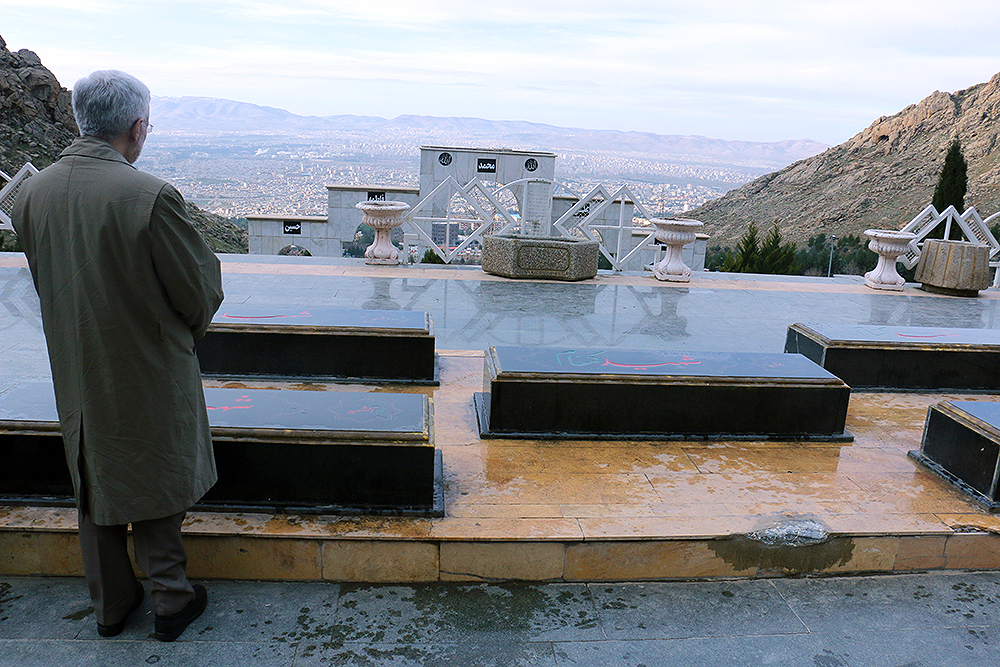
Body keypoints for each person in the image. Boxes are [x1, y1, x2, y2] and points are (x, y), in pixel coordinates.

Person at [12, 70, 224, 642]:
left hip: (74, 358)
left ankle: (110, 604)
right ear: (136, 127)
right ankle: (171, 598)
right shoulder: (149, 196)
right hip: (146, 360)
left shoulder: (32, 194)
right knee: (153, 466)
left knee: (93, 470)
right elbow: (198, 290)